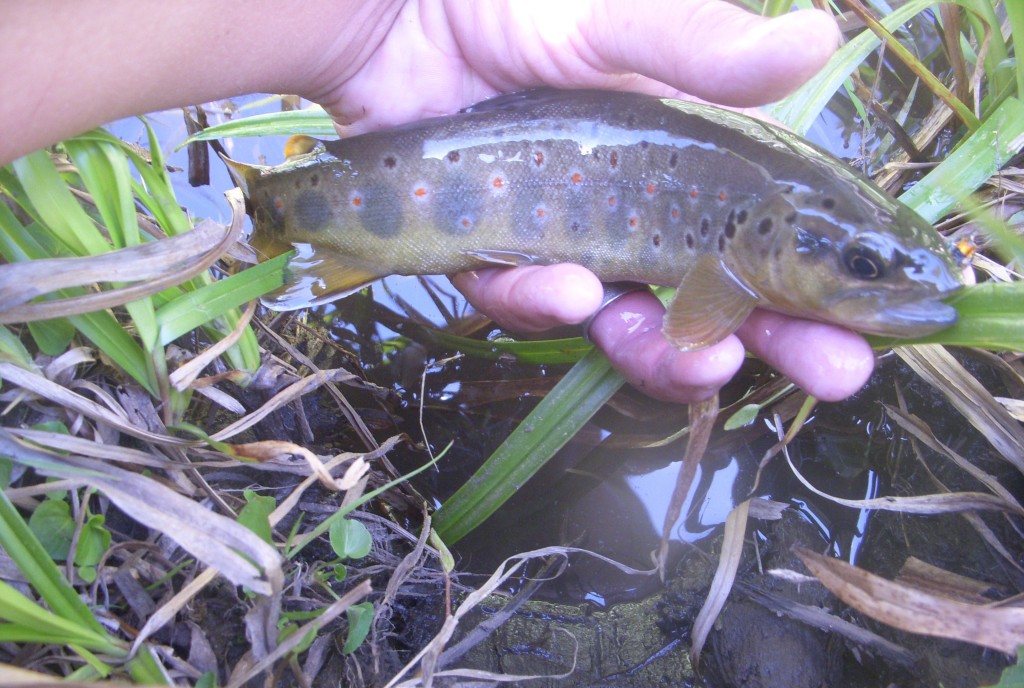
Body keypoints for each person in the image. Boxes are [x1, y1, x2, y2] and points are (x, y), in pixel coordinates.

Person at [0, 0, 874, 403]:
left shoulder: (763, 206)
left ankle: (273, 214)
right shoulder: (755, 223)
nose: (868, 276)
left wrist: (376, 21)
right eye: (864, 265)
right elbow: (694, 324)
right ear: (766, 234)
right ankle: (268, 213)